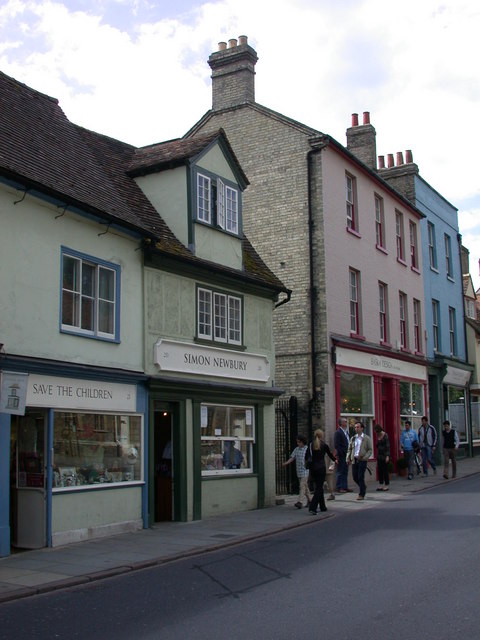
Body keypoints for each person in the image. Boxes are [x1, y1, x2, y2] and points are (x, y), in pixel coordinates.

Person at [306, 428, 337, 514]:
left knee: (318, 486)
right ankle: (313, 507)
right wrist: (335, 460)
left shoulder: (311, 444)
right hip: (321, 468)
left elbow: (306, 456)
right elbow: (330, 455)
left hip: (313, 468)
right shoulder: (324, 445)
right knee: (319, 488)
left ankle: (323, 506)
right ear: (322, 436)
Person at [282, 434, 312, 508]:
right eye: (297, 442)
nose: (298, 443)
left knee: (302, 486)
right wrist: (286, 463)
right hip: (299, 471)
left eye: (299, 442)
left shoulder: (307, 449)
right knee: (305, 487)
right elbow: (292, 457)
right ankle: (310, 500)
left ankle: (300, 502)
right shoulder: (296, 449)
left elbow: (310, 459)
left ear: (303, 442)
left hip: (305, 470)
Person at [346, 422, 373, 500]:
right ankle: (363, 486)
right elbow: (349, 449)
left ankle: (361, 494)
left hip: (362, 459)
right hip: (354, 459)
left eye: (358, 427)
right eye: (355, 427)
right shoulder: (353, 438)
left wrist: (365, 457)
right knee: (355, 477)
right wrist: (348, 458)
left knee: (361, 476)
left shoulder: (366, 438)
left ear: (362, 428)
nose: (356, 429)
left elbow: (370, 450)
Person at [334, 417, 352, 493]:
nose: (346, 422)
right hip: (342, 455)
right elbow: (337, 445)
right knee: (340, 471)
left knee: (345, 471)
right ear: (341, 423)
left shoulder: (347, 432)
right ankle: (339, 487)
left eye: (346, 421)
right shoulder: (338, 432)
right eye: (345, 421)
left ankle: (345, 486)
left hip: (347, 455)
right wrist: (342, 453)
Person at [374, 424, 390, 491]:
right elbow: (377, 445)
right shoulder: (378, 435)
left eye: (376, 431)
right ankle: (381, 484)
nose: (375, 432)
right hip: (379, 455)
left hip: (384, 455)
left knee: (385, 470)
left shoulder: (385, 435)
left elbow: (387, 446)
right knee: (380, 470)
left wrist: (387, 456)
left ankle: (386, 485)